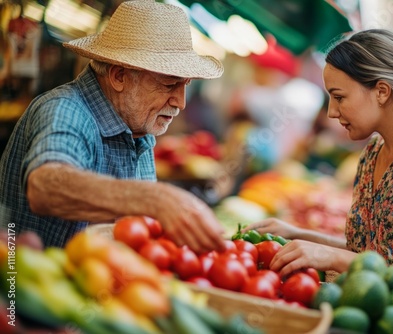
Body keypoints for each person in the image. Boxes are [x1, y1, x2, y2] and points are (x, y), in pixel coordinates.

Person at [244, 29, 393, 330]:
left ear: (382, 91)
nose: (331, 113)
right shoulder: (374, 150)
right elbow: (369, 254)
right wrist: (300, 235)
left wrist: (329, 256)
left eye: (339, 97)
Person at [0, 0, 226, 254]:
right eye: (169, 84)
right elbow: (45, 187)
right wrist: (154, 199)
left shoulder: (138, 128)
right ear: (119, 76)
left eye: (185, 85)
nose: (181, 102)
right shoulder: (64, 110)